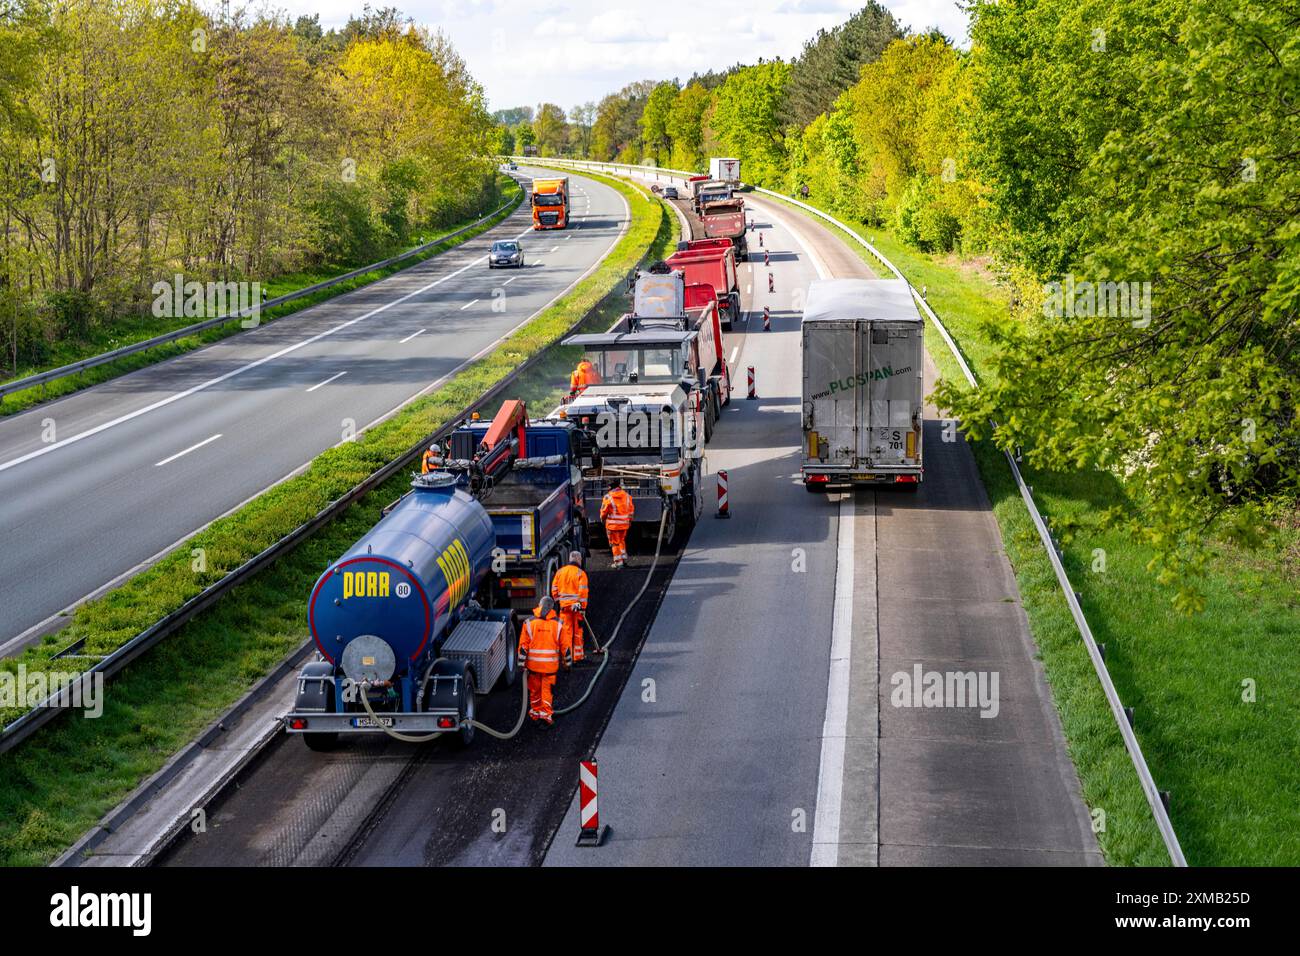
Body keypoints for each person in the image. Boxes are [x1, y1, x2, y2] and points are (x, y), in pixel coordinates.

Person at [517, 596, 569, 726]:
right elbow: (566, 649)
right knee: (547, 692)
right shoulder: (559, 624)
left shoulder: (528, 623)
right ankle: (545, 717)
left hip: (533, 667)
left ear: (539, 605)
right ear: (552, 607)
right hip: (550, 668)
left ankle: (535, 714)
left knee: (535, 691)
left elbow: (523, 647)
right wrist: (567, 664)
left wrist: (521, 665)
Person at [551, 551, 590, 662]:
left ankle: (567, 658)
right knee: (577, 632)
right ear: (578, 559)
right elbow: (583, 593)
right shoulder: (581, 573)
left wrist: (559, 602)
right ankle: (577, 657)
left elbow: (554, 589)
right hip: (577, 609)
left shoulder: (560, 572)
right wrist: (582, 607)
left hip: (564, 609)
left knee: (566, 633)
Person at [600, 478, 635, 569]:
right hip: (624, 525)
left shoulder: (608, 497)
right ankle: (623, 559)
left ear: (610, 487)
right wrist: (629, 521)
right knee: (621, 541)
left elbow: (604, 512)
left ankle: (618, 563)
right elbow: (631, 511)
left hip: (613, 526)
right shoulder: (627, 496)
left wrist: (602, 519)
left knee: (614, 543)